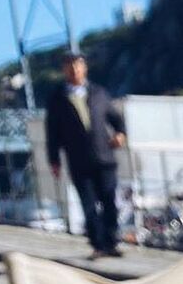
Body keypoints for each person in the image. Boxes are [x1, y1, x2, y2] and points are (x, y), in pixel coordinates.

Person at [45, 53, 126, 258]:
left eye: (78, 65)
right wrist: (54, 160)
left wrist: (120, 134)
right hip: (78, 160)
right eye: (70, 66)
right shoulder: (57, 99)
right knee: (88, 205)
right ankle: (97, 244)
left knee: (110, 200)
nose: (74, 70)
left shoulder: (99, 93)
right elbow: (52, 133)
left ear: (85, 68)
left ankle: (112, 241)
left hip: (104, 157)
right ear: (64, 70)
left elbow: (116, 119)